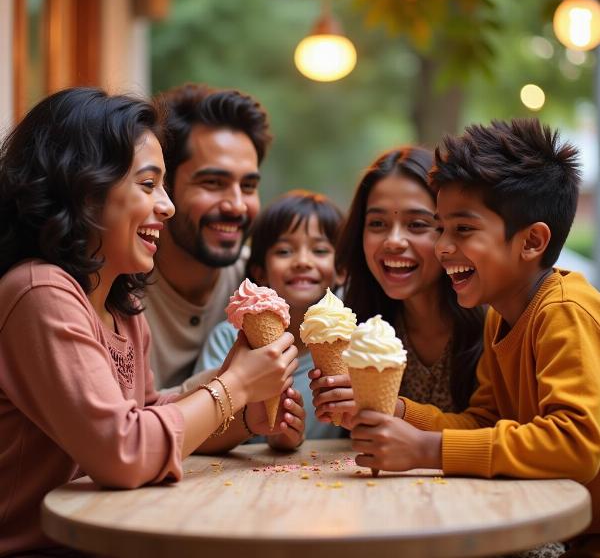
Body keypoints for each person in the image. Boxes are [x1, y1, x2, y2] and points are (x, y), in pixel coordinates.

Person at [0, 88, 298, 556]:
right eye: (147, 184)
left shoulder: (121, 304)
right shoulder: (39, 291)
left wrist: (245, 414)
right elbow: (124, 452)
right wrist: (235, 386)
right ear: (85, 187)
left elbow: (153, 413)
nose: (168, 205)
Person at [348, 120, 600, 556]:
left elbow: (575, 443)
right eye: (441, 227)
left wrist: (429, 449)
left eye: (462, 229)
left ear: (532, 241)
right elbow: (484, 421)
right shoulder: (498, 317)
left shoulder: (562, 310)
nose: (443, 246)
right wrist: (401, 410)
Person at [311, 146, 485, 427]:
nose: (393, 241)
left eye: (416, 224)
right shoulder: (355, 324)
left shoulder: (495, 326)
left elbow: (494, 427)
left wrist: (392, 409)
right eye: (377, 223)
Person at [144, 83, 272, 392]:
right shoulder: (114, 286)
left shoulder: (259, 283)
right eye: (213, 182)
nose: (237, 205)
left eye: (249, 186)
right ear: (166, 185)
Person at [194, 190, 346, 450]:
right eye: (285, 251)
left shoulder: (353, 345)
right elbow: (200, 423)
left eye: (320, 250)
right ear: (259, 272)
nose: (302, 261)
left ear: (342, 270)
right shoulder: (229, 339)